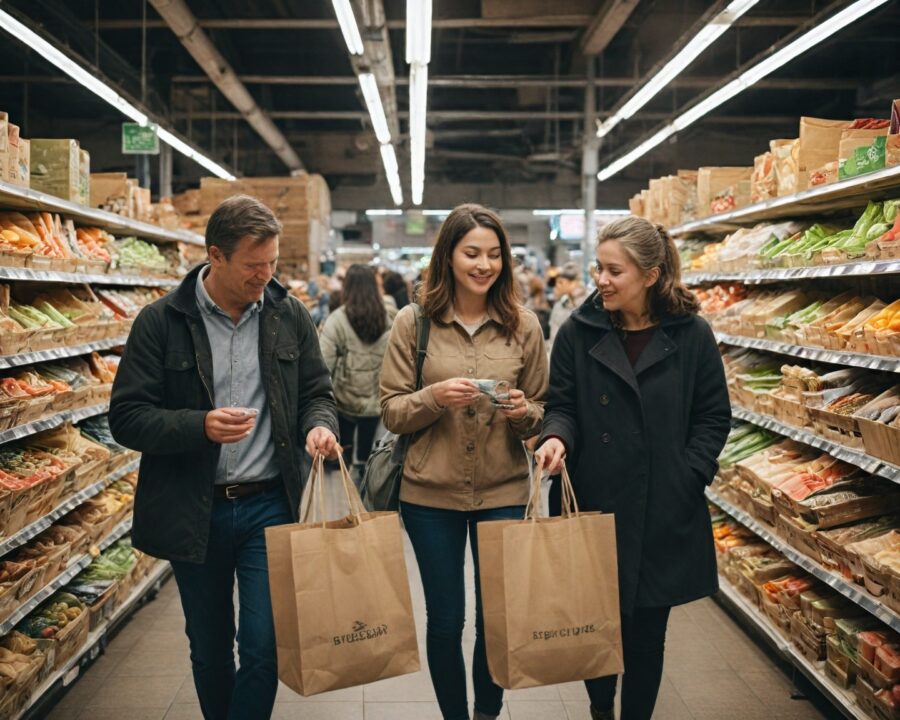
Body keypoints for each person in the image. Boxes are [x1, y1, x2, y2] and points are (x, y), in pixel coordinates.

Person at [108, 195, 340, 720]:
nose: (265, 275)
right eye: (253, 266)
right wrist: (199, 426)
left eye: (272, 264)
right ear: (215, 255)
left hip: (269, 505)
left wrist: (319, 426)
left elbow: (317, 393)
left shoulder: (288, 315)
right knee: (210, 648)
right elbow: (126, 417)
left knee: (262, 645)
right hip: (196, 509)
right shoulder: (159, 322)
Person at [535, 216, 731, 720]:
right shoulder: (579, 331)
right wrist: (556, 436)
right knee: (596, 625)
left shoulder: (691, 335)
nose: (601, 279)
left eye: (614, 270)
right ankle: (602, 711)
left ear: (651, 274)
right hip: (594, 498)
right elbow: (563, 404)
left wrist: (689, 474)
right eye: (599, 268)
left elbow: (712, 416)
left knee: (647, 634)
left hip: (662, 504)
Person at [380, 203, 548, 720]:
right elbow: (390, 410)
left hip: (502, 491)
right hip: (431, 494)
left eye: (495, 254)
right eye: (472, 252)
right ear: (447, 255)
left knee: (497, 619)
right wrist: (434, 397)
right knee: (446, 619)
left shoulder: (524, 326)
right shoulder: (414, 323)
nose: (484, 264)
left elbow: (542, 410)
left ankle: (486, 714)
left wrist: (524, 411)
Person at [319, 264, 395, 485]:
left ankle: (343, 473)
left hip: (345, 398)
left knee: (344, 446)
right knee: (366, 449)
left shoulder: (337, 320)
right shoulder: (391, 317)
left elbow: (324, 363)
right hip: (376, 398)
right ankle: (363, 474)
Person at [548, 261, 588, 346]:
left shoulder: (587, 305)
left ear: (573, 283)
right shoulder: (559, 306)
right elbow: (553, 338)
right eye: (557, 283)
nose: (557, 286)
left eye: (561, 282)